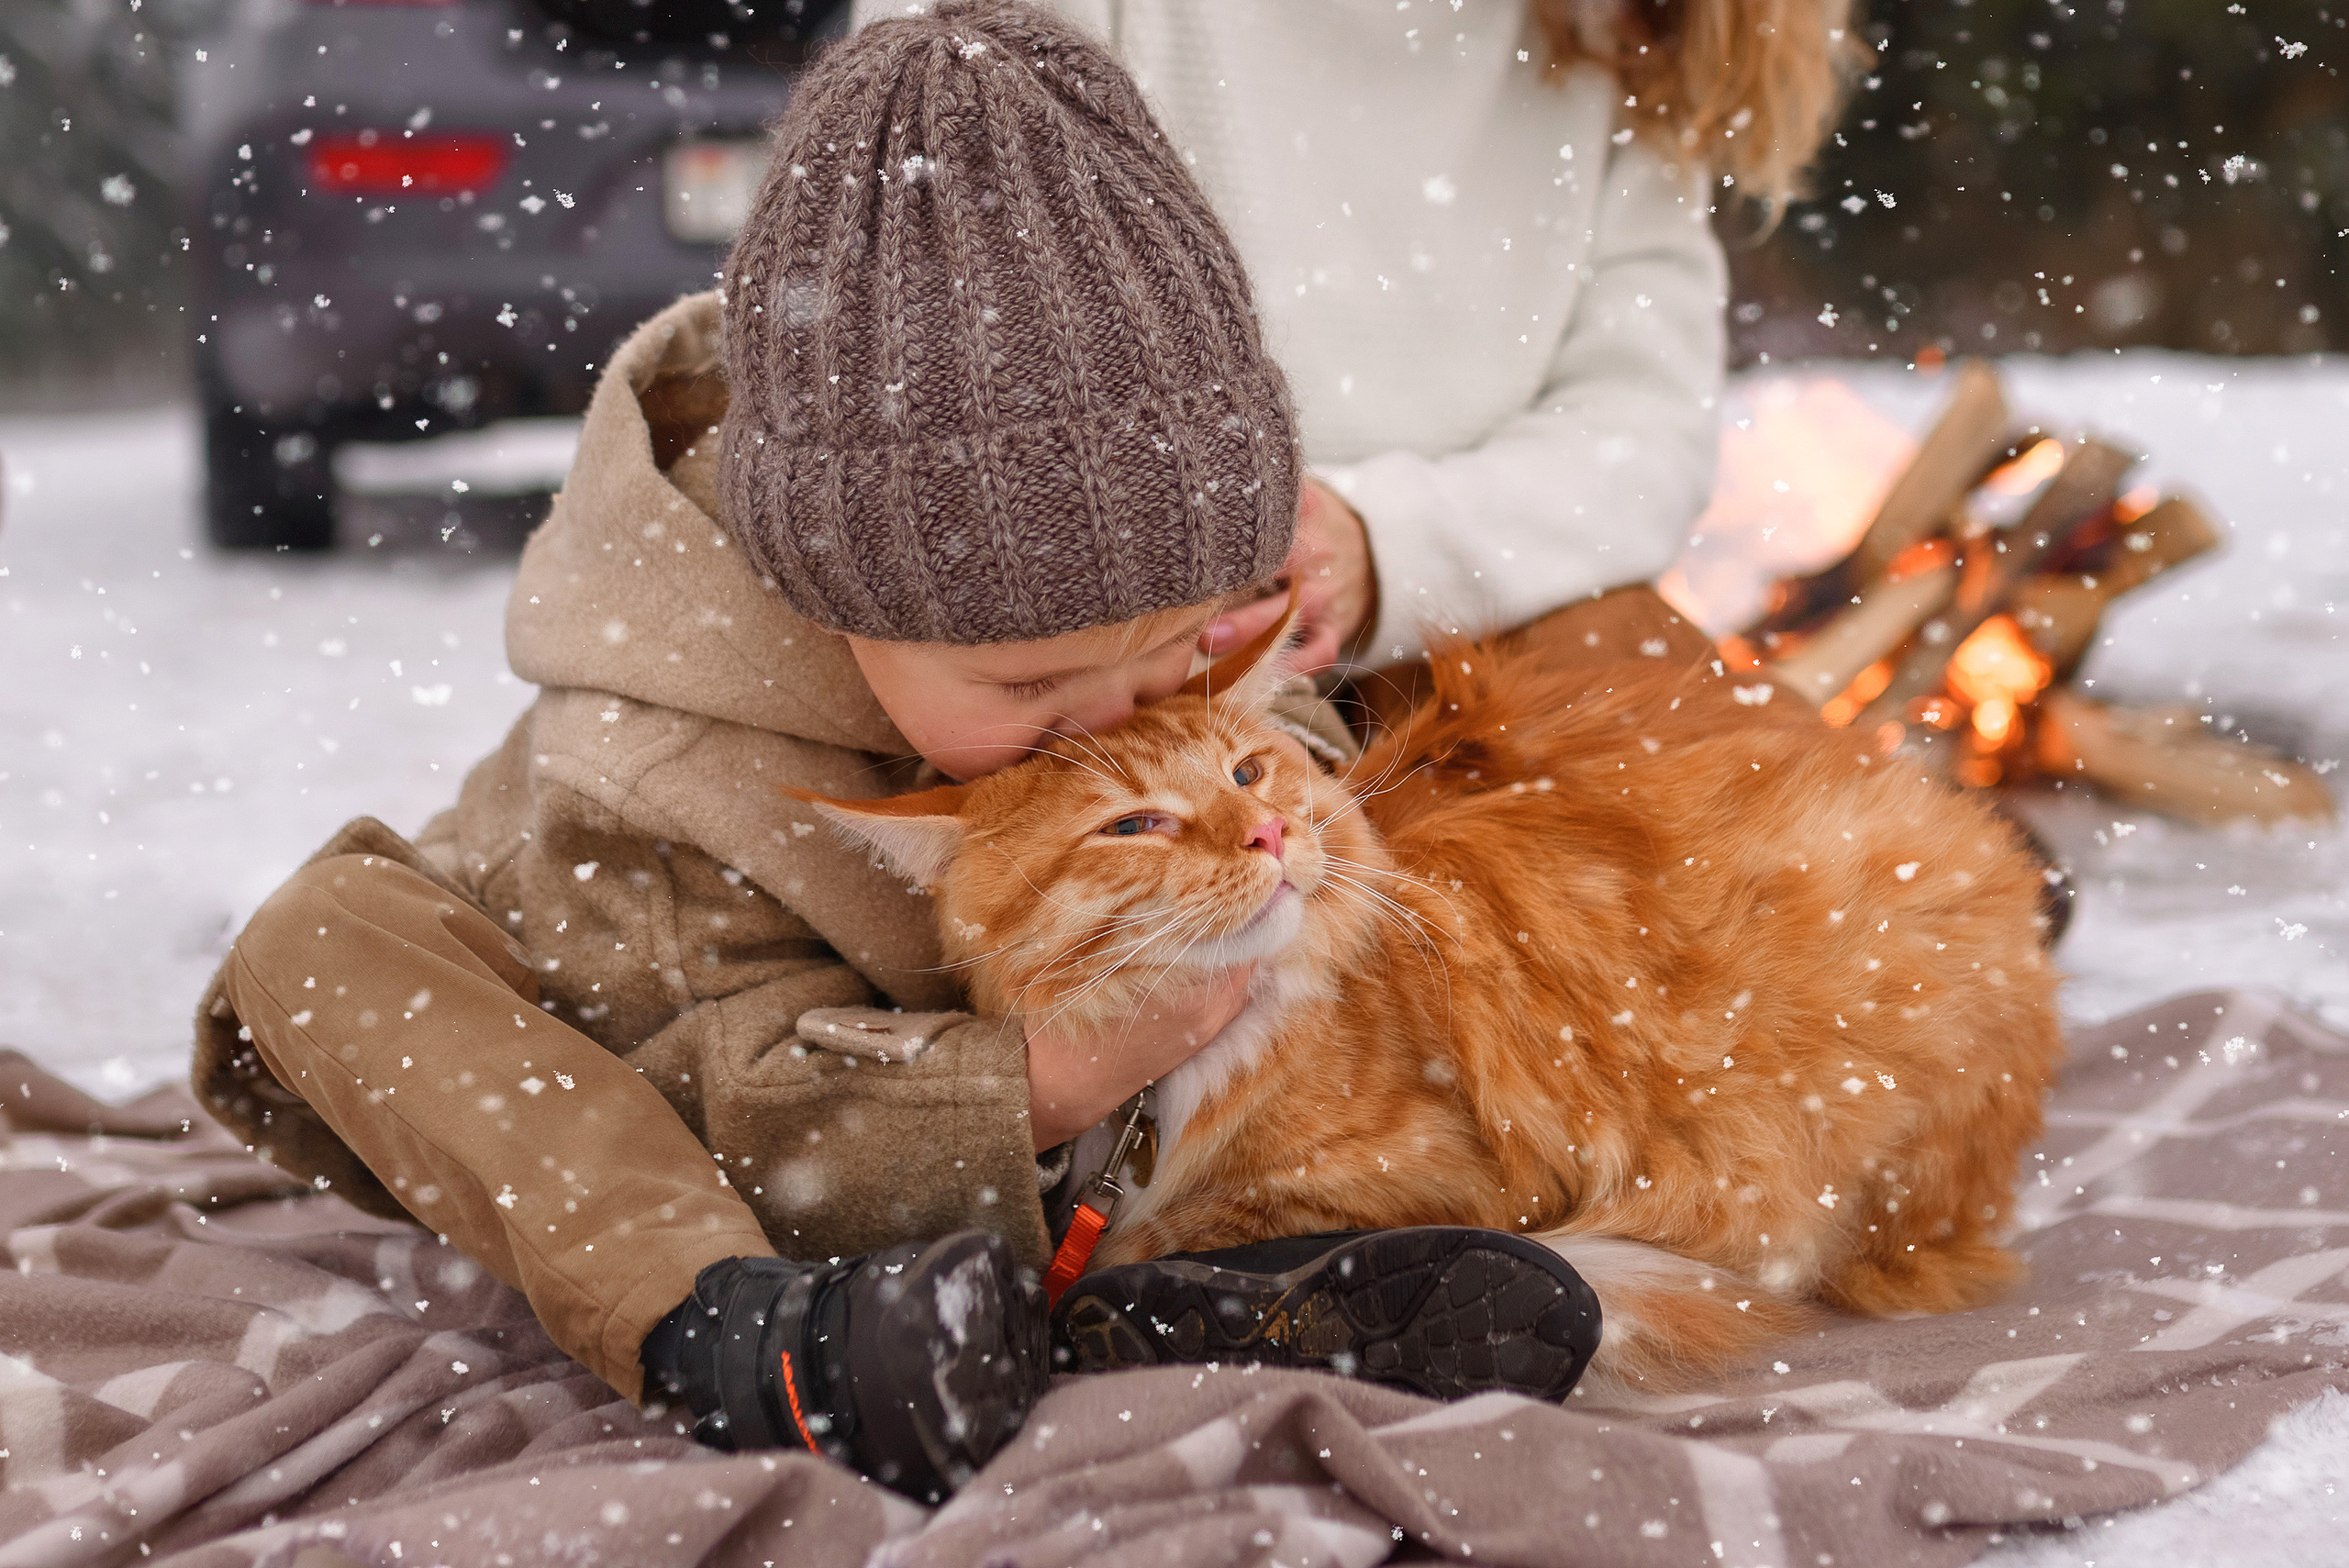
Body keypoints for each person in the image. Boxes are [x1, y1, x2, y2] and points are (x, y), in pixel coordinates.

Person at [192, 0, 1618, 1505]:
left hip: (1034, 1043)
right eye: (1038, 678)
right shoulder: (662, 765)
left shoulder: (1131, 644)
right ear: (838, 595)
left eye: (1181, 647)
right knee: (334, 950)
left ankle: (1121, 1303)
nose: (1126, 715)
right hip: (693, 1041)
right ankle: (759, 1343)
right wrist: (1035, 1082)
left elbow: (1280, 765)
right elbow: (725, 1083)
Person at [848, 0, 1855, 682]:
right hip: (1116, 654)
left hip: (1468, 647)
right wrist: (1201, 521)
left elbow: (1643, 436)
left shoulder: (1625, 25)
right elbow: (941, 307)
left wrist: (1387, 544)